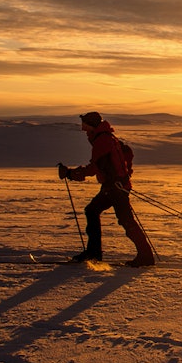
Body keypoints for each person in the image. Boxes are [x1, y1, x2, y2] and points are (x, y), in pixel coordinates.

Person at [58, 111, 155, 267]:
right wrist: (124, 174)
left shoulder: (102, 140)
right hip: (116, 186)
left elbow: (94, 168)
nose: (83, 130)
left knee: (119, 218)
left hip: (114, 188)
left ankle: (142, 256)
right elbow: (127, 152)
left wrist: (70, 173)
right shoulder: (107, 137)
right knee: (96, 211)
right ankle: (98, 252)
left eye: (85, 125)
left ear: (91, 126)